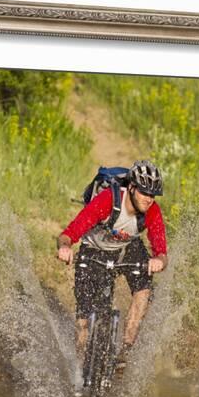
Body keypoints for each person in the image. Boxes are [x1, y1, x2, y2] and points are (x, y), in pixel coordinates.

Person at [56, 159, 168, 384]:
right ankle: (79, 370)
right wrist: (65, 247)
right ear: (133, 188)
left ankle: (125, 351)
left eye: (153, 194)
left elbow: (161, 248)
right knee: (84, 322)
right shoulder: (109, 199)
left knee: (144, 290)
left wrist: (158, 260)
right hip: (94, 249)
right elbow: (70, 232)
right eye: (145, 192)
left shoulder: (151, 210)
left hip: (127, 249)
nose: (149, 199)